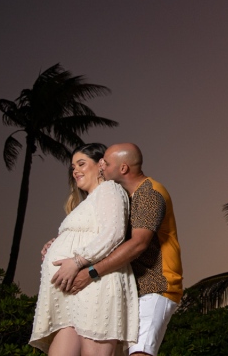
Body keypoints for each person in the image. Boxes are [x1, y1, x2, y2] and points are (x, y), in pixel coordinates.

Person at [51, 143, 183, 356]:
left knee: (140, 353)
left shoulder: (149, 193)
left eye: (106, 162)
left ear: (123, 169)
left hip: (155, 287)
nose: (102, 165)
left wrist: (91, 273)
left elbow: (138, 244)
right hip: (133, 288)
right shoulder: (125, 197)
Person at [30, 143, 138, 355]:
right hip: (72, 297)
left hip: (95, 285)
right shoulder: (87, 202)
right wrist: (55, 243)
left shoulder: (110, 189)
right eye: (73, 167)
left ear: (100, 165)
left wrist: (77, 261)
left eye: (81, 164)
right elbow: (85, 234)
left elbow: (113, 234)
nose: (75, 171)